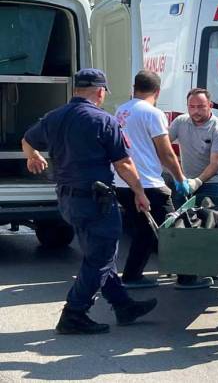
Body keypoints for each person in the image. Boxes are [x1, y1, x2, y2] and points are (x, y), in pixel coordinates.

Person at [21, 68, 157, 334]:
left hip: (68, 200)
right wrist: (140, 192)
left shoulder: (54, 117)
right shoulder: (103, 120)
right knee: (101, 258)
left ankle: (123, 305)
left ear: (76, 89)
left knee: (97, 254)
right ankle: (74, 313)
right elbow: (124, 164)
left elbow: (26, 139)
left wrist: (33, 156)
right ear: (100, 91)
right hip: (96, 202)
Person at [114, 70, 190, 289]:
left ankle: (132, 275)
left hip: (124, 183)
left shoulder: (121, 111)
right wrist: (179, 178)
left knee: (144, 230)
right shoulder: (152, 113)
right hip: (149, 184)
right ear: (157, 91)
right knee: (174, 230)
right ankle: (187, 276)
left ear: (134, 88)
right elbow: (166, 153)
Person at [168, 88, 218, 289]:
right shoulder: (180, 122)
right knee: (183, 226)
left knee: (210, 228)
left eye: (201, 107)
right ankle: (186, 269)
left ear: (210, 106)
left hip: (214, 182)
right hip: (185, 181)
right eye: (192, 106)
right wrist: (175, 172)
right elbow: (164, 144)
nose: (196, 111)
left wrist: (198, 182)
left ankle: (211, 268)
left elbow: (215, 163)